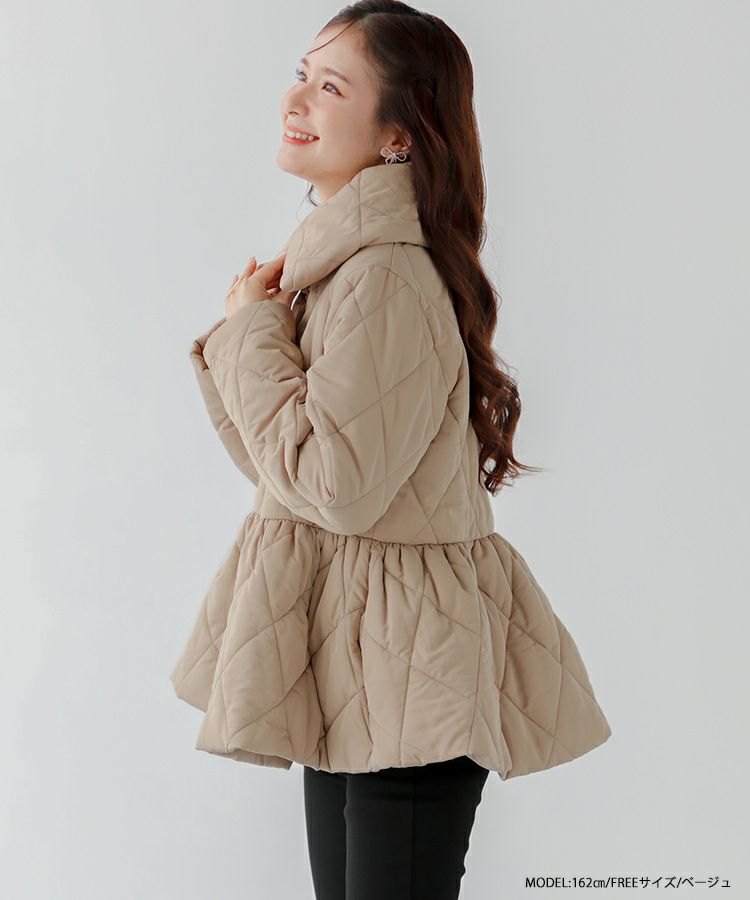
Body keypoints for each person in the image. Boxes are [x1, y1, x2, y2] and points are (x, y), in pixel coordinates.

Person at [170, 3, 612, 897]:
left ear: (399, 135)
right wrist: (260, 330)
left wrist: (251, 334)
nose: (296, 98)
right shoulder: (335, 267)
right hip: (358, 658)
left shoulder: (384, 276)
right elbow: (288, 477)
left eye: (332, 86)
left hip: (407, 672)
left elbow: (332, 487)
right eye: (302, 74)